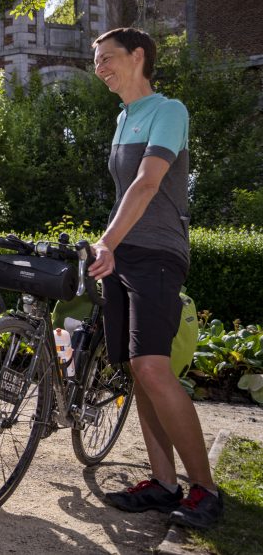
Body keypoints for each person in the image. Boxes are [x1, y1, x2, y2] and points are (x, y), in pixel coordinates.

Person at [89, 28, 222, 529]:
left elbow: (147, 183)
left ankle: (205, 490)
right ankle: (164, 483)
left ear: (138, 56)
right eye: (95, 60)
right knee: (136, 371)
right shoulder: (123, 118)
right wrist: (110, 246)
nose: (99, 66)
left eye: (108, 57)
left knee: (153, 367)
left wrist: (105, 240)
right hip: (122, 255)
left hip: (159, 253)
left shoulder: (169, 110)